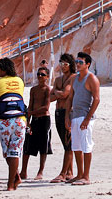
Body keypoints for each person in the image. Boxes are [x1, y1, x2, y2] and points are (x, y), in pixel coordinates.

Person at [0, 58, 28, 191]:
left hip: (5, 120)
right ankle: (14, 178)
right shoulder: (19, 81)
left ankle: (11, 183)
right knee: (15, 151)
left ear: (3, 69)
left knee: (7, 153)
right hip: (20, 119)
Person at [65, 51, 100, 186]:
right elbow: (70, 98)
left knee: (86, 146)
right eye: (77, 62)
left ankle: (86, 176)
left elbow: (96, 99)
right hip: (75, 116)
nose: (77, 64)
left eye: (80, 62)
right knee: (76, 146)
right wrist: (67, 116)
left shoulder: (92, 78)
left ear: (88, 64)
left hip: (86, 117)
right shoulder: (74, 78)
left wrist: (87, 118)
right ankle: (79, 174)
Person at [20, 66, 52, 181]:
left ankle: (40, 171)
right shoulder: (33, 89)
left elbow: (46, 107)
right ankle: (23, 171)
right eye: (38, 74)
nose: (39, 76)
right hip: (34, 120)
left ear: (47, 77)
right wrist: (28, 121)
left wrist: (32, 112)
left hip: (44, 120)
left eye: (42, 74)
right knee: (27, 145)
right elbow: (31, 104)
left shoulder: (47, 89)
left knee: (44, 146)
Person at [49, 53, 75, 183]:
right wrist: (59, 93)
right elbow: (50, 97)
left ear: (70, 65)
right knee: (65, 142)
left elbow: (65, 94)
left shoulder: (73, 78)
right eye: (61, 64)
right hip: (58, 112)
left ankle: (63, 173)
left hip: (67, 112)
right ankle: (70, 171)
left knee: (68, 144)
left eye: (65, 64)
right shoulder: (58, 80)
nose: (63, 66)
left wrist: (57, 92)